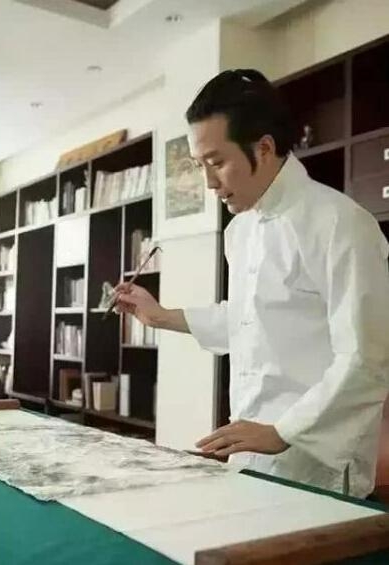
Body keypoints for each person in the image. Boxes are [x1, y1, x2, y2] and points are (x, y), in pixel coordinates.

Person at [115, 69, 389, 498]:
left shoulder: (340, 223)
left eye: (217, 163)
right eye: (201, 166)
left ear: (264, 148)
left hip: (316, 461)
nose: (209, 183)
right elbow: (249, 321)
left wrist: (283, 431)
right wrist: (161, 316)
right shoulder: (239, 230)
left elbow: (365, 359)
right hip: (249, 447)